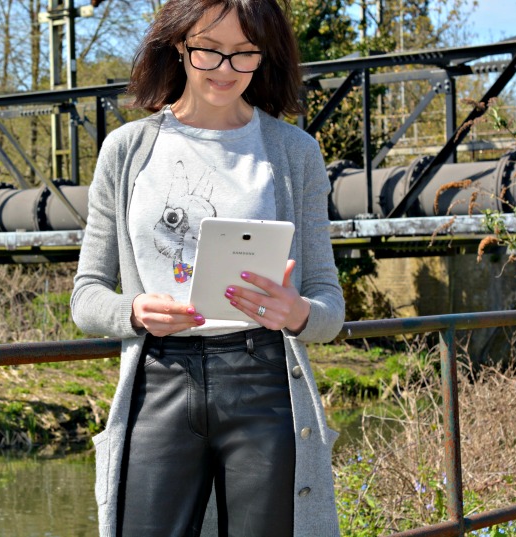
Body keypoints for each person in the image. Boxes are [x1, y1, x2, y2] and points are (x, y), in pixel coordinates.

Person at [70, 0, 345, 535]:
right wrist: (133, 309)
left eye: (244, 54)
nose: (225, 70)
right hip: (158, 379)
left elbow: (329, 306)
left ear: (264, 56)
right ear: (178, 45)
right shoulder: (126, 150)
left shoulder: (295, 152)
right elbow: (86, 296)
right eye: (208, 51)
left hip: (264, 380)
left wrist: (297, 313)